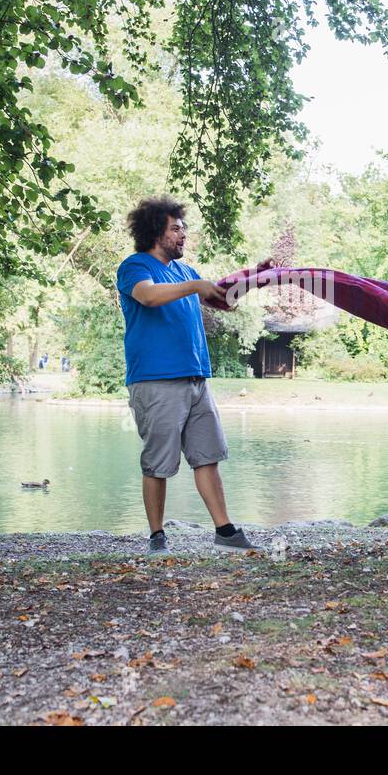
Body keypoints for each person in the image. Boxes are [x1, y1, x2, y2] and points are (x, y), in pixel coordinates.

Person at [116, 195, 270, 555]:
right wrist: (196, 286)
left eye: (184, 228)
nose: (183, 235)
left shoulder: (185, 272)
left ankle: (225, 531)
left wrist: (256, 278)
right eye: (176, 229)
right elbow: (149, 297)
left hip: (196, 380)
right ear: (156, 231)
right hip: (155, 380)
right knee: (158, 462)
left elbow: (221, 297)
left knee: (207, 456)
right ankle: (157, 537)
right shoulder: (135, 267)